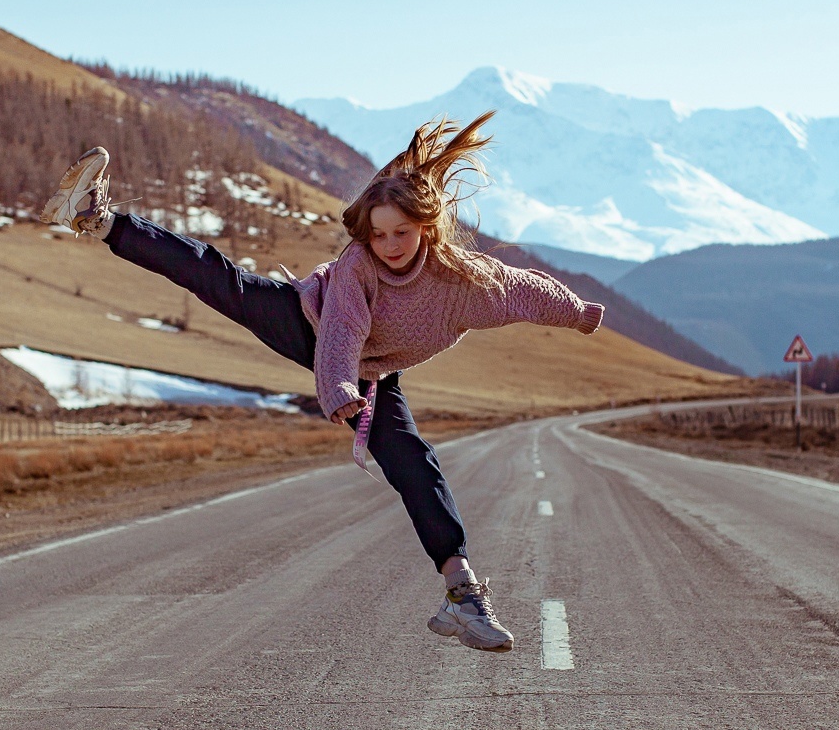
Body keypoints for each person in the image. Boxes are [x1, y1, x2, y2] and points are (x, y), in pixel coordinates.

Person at [39, 111, 604, 653]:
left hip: (375, 373)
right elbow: (342, 330)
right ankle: (100, 217)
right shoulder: (358, 266)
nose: (389, 245)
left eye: (401, 232)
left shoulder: (462, 282)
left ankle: (463, 594)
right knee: (221, 279)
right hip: (309, 322)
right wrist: (335, 389)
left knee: (412, 461)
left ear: (427, 227)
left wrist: (578, 312)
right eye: (378, 234)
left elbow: (525, 289)